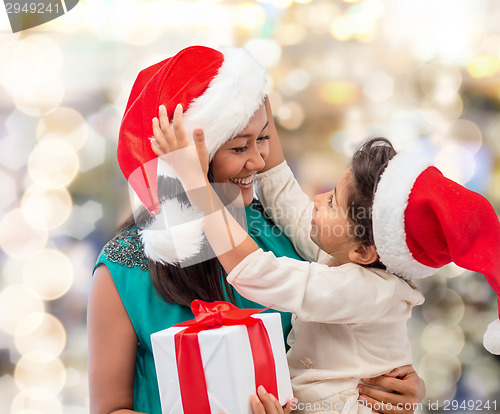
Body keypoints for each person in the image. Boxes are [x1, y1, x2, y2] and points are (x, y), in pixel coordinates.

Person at [88, 45, 426, 414]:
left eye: (263, 138)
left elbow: (356, 342)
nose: (259, 159)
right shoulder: (125, 267)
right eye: (238, 147)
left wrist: (399, 385)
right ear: (191, 161)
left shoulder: (287, 231)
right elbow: (109, 408)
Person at [150, 101, 500, 413]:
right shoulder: (350, 256)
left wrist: (195, 185)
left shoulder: (368, 290)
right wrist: (254, 92)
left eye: (332, 202)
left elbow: (259, 273)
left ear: (364, 251)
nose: (318, 199)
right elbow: (284, 193)